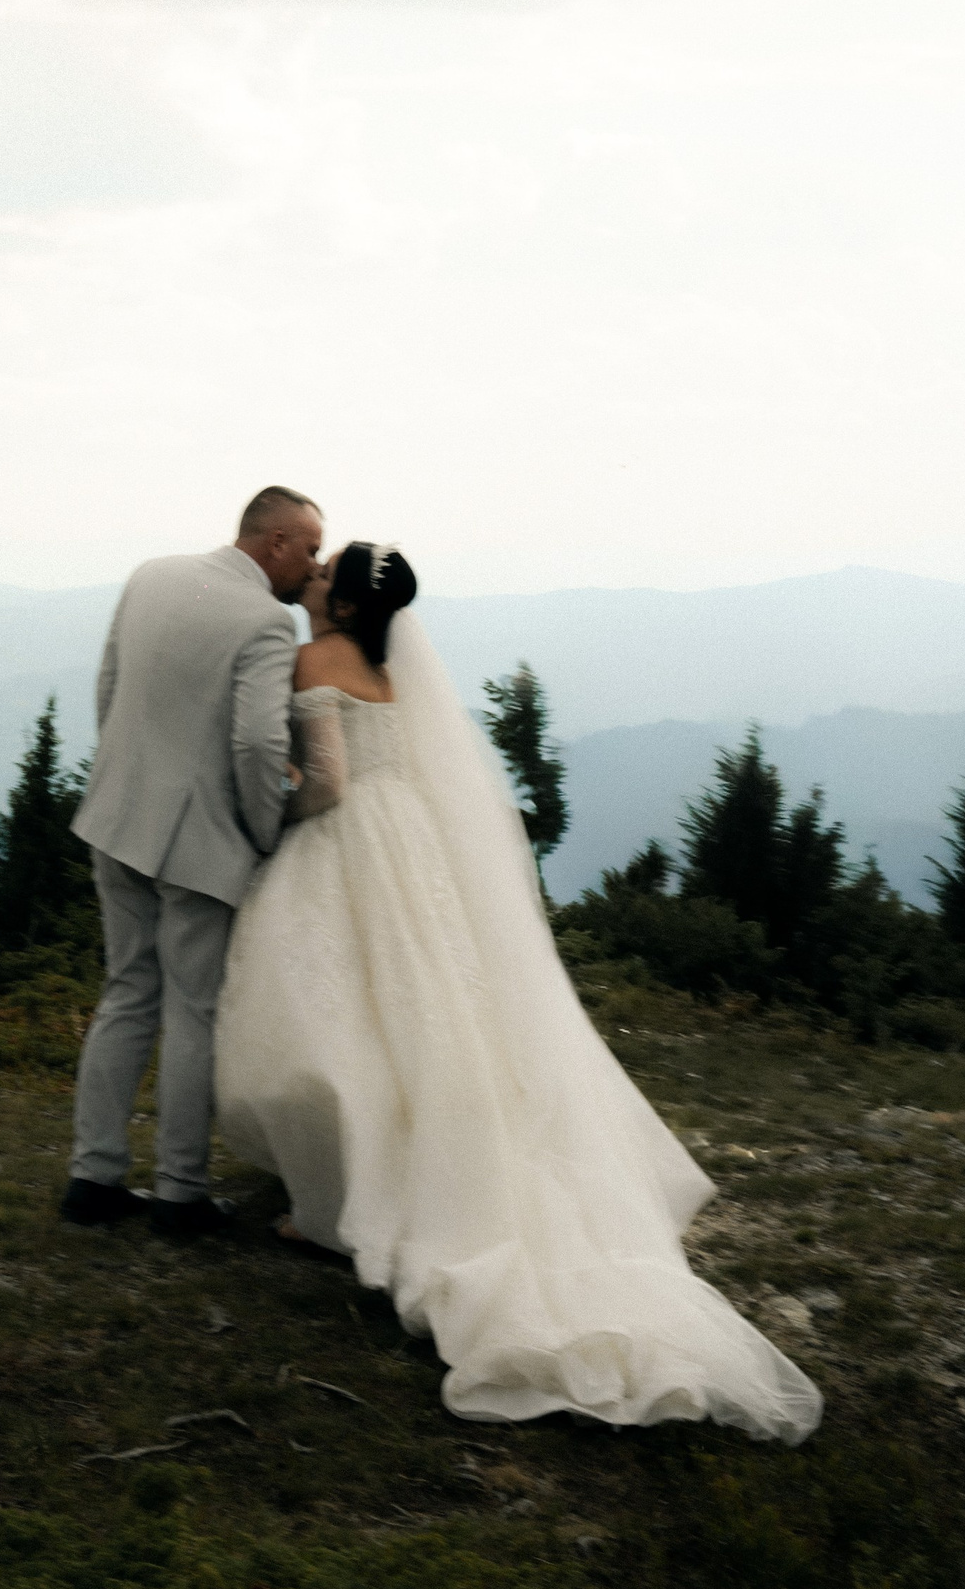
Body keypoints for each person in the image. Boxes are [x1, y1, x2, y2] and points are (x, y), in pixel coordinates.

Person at [215, 543, 822, 1440]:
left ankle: (339, 1199)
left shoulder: (314, 660)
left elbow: (331, 782)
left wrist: (272, 818)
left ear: (340, 604)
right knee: (431, 1013)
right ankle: (387, 1174)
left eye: (325, 570)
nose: (314, 573)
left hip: (352, 840)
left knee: (335, 1016)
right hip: (413, 843)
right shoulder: (390, 668)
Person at [60, 484, 323, 1239]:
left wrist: (123, 778)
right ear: (274, 541)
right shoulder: (266, 621)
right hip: (200, 839)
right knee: (192, 1010)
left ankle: (93, 1177)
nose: (313, 567)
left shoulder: (153, 574)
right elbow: (258, 743)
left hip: (116, 816)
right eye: (309, 549)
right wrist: (262, 833)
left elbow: (108, 685)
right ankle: (180, 1192)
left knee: (125, 993)